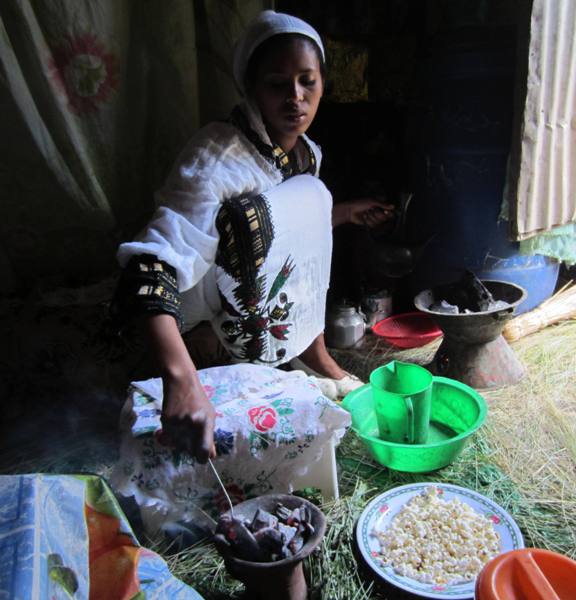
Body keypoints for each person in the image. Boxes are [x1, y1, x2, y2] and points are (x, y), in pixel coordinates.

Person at [112, 10, 393, 463]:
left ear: (323, 83)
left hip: (255, 288)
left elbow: (296, 233)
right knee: (269, 211)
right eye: (277, 84)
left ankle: (313, 353)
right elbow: (153, 263)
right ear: (251, 87)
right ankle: (205, 344)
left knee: (314, 195)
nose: (295, 98)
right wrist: (179, 378)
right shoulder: (217, 155)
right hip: (202, 298)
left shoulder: (306, 152)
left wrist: (340, 214)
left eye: (308, 81)